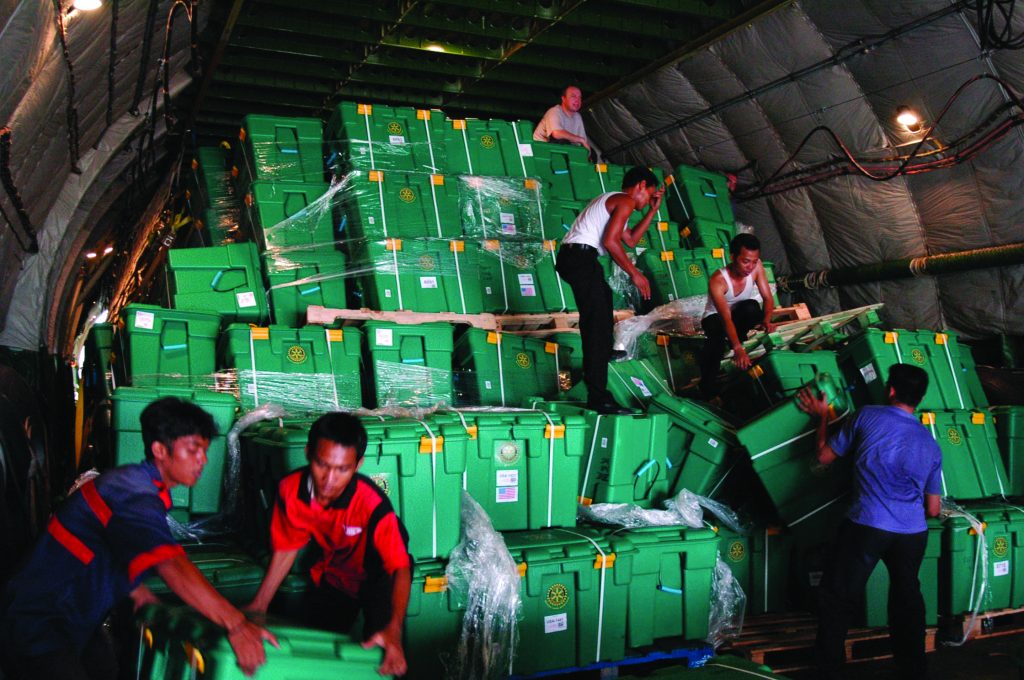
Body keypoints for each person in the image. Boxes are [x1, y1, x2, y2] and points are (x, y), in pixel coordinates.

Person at [0, 397, 275, 680]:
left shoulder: (138, 486)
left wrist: (145, 599)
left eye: (205, 451)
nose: (203, 460)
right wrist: (237, 624)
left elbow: (116, 552)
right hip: (39, 621)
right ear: (160, 450)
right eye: (193, 450)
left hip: (72, 618)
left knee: (107, 668)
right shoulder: (134, 495)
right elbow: (172, 565)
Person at [797, 363, 942, 680]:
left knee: (838, 595)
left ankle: (830, 669)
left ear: (890, 390)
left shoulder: (867, 415)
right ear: (919, 398)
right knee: (907, 600)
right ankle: (913, 670)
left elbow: (823, 458)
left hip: (867, 525)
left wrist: (821, 416)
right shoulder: (930, 443)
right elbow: (933, 508)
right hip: (912, 534)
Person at [245, 412, 410, 677]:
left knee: (387, 657)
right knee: (317, 653)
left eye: (342, 469)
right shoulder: (291, 490)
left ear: (357, 465)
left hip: (382, 578)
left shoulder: (372, 504)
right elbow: (288, 547)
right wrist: (260, 603)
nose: (329, 480)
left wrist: (394, 627)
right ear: (309, 452)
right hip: (337, 571)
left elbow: (400, 568)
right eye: (322, 465)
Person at [556, 166, 662, 415]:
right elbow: (610, 242)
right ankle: (598, 396)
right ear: (640, 186)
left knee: (602, 309)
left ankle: (603, 353)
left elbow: (631, 239)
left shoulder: (612, 200)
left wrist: (652, 211)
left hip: (577, 258)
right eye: (649, 195)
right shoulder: (624, 200)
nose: (648, 200)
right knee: (596, 324)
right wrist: (635, 273)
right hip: (580, 258)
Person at [697, 232, 776, 399]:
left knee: (752, 307)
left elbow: (768, 298)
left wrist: (767, 321)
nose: (750, 267)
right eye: (745, 261)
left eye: (754, 262)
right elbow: (726, 318)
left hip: (738, 316)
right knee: (716, 338)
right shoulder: (718, 280)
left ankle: (738, 340)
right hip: (717, 318)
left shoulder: (757, 267)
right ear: (732, 257)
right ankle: (707, 388)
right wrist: (738, 349)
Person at [534, 85, 595, 159]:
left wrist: (588, 153)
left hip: (561, 150)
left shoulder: (577, 117)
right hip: (540, 151)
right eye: (573, 96)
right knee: (563, 143)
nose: (577, 100)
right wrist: (581, 140)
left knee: (593, 154)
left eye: (580, 97)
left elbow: (583, 143)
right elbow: (556, 134)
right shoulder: (554, 111)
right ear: (563, 99)